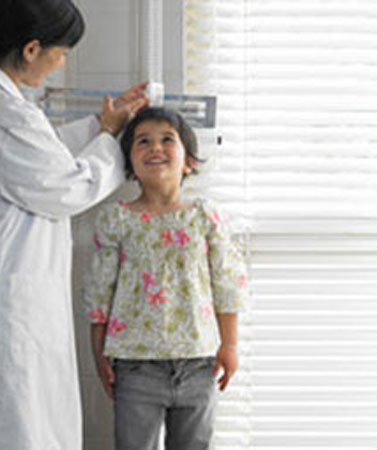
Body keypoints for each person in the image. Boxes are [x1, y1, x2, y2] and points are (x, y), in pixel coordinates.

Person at [0, 0, 149, 449]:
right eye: (63, 51)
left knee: (4, 424)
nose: (62, 61)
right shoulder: (7, 116)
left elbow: (39, 155)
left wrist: (101, 126)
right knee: (15, 429)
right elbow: (67, 188)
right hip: (5, 300)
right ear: (32, 49)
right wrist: (109, 139)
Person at [84, 107, 249, 450]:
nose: (155, 147)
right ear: (130, 164)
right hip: (135, 367)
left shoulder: (205, 216)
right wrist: (99, 355)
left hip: (198, 364)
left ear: (188, 161)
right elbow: (99, 294)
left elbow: (227, 285)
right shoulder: (117, 220)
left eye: (167, 140)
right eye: (143, 141)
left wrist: (230, 345)